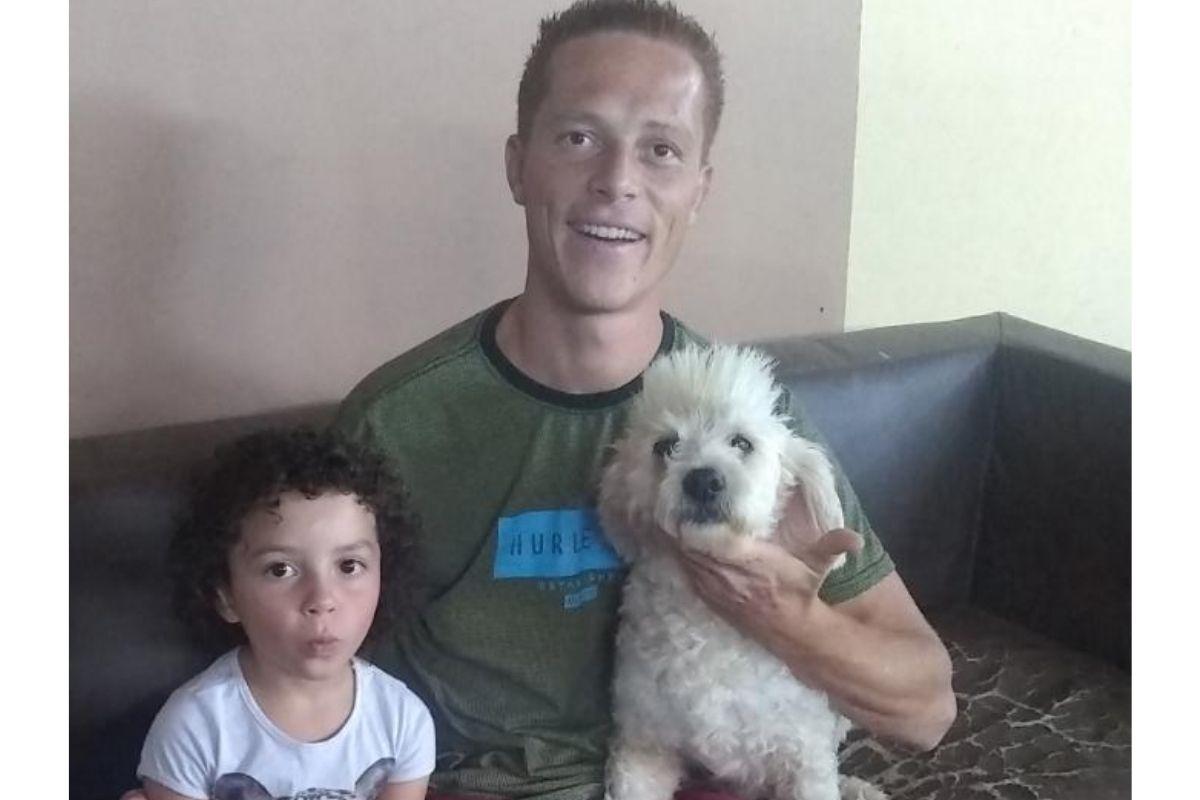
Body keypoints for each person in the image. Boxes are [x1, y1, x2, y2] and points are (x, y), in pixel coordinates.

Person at [332, 2, 954, 800]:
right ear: (520, 166)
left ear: (699, 189)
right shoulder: (396, 423)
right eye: (578, 138)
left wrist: (785, 615)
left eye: (661, 150)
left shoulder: (749, 422)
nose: (617, 181)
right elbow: (310, 687)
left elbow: (926, 710)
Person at [136, 428, 435, 800]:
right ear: (226, 596)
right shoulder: (194, 728)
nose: (322, 599)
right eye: (280, 570)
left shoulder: (404, 720)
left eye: (349, 565)